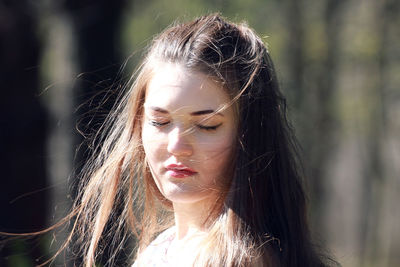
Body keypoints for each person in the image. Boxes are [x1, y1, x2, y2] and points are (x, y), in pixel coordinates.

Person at [43, 14, 337, 267]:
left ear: (250, 135)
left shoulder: (236, 259)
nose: (176, 146)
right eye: (160, 122)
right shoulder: (163, 248)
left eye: (206, 126)